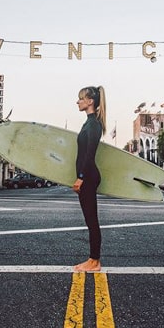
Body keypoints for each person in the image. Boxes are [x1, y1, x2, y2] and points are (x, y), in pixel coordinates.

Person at [72, 85, 106, 272]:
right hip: (87, 177)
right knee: (90, 220)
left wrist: (81, 178)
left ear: (90, 101)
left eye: (81, 98)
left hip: (89, 177)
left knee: (92, 220)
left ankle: (94, 261)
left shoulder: (93, 125)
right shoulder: (88, 123)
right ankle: (93, 259)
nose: (78, 101)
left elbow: (89, 155)